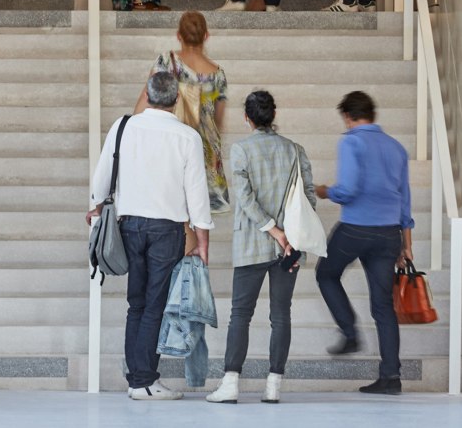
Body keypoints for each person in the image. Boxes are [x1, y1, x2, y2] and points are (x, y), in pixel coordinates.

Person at [87, 70, 213, 401]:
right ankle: (144, 380)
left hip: (129, 225)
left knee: (136, 304)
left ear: (147, 93)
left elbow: (103, 174)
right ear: (175, 99)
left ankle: (138, 379)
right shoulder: (187, 137)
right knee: (155, 304)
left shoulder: (123, 126)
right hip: (166, 230)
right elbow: (197, 193)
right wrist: (202, 240)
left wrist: (96, 207)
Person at [206, 90, 316, 406]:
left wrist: (273, 231)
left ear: (247, 118)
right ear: (273, 116)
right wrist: (289, 236)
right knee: (281, 315)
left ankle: (230, 385)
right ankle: (273, 386)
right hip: (290, 247)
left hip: (253, 243)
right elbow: (309, 197)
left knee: (240, 314)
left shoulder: (241, 150)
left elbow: (245, 198)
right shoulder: (295, 150)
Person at [315, 90, 414, 396]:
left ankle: (349, 332)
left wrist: (324, 191)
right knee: (383, 307)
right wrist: (406, 245)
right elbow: (405, 203)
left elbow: (348, 190)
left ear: (348, 116)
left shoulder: (351, 141)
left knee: (325, 273)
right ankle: (391, 377)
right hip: (388, 235)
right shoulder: (396, 148)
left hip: (356, 228)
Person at [134, 11, 229, 215]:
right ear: (206, 36)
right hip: (205, 151)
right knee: (201, 215)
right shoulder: (218, 74)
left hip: (172, 145)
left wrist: (135, 132)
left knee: (176, 210)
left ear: (179, 35)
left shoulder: (166, 61)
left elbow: (144, 100)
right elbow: (218, 120)